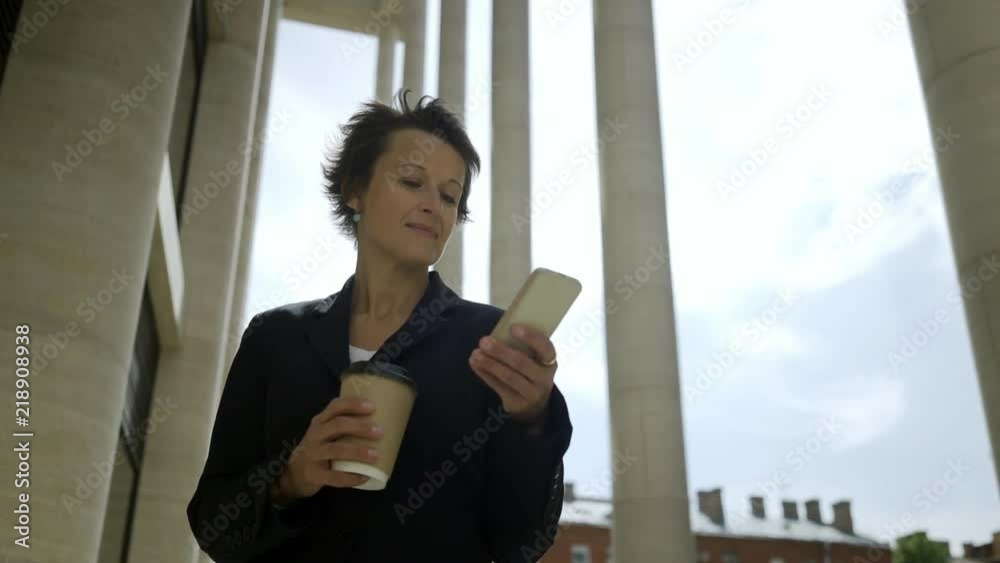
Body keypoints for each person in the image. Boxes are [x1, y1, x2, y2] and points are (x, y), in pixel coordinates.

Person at [186, 90, 573, 562]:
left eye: (450, 196)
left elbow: (522, 543)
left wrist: (531, 422)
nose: (433, 205)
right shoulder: (275, 336)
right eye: (411, 181)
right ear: (355, 191)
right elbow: (213, 525)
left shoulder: (490, 346)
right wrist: (291, 479)